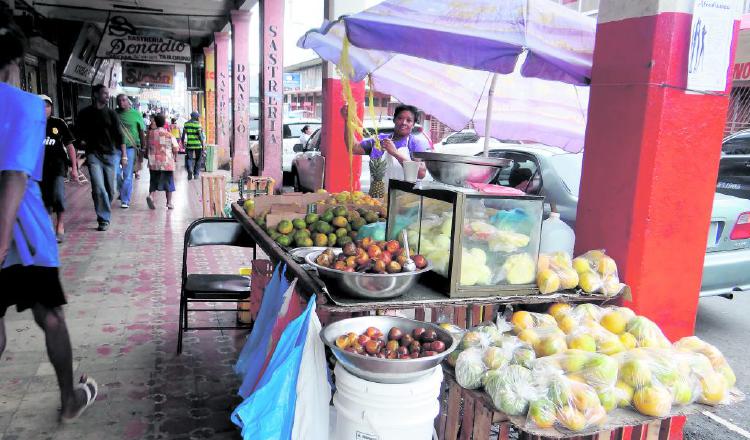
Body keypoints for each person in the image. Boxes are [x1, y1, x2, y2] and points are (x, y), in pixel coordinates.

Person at [0, 9, 97, 422]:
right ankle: (69, 400)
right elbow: (15, 177)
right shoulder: (24, 106)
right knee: (51, 317)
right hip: (23, 235)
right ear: (16, 64)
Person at [75, 84, 126, 231]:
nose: (107, 96)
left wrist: (124, 155)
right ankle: (103, 218)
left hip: (110, 155)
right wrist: (81, 143)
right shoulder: (85, 113)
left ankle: (103, 205)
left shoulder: (111, 114)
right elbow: (77, 132)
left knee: (110, 190)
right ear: (96, 95)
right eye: (104, 93)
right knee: (98, 188)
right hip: (93, 155)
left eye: (107, 93)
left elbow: (119, 135)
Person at [342, 104, 428, 181]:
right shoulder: (379, 140)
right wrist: (347, 121)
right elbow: (353, 148)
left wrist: (395, 153)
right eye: (400, 118)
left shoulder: (415, 144)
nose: (403, 123)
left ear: (413, 125)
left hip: (403, 197)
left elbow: (421, 173)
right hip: (377, 197)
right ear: (394, 120)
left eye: (409, 120)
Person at [39, 95, 78, 243]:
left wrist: (74, 167)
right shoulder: (31, 123)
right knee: (44, 199)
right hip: (38, 168)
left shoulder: (59, 123)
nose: (45, 109)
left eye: (47, 105)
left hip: (57, 166)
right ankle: (48, 227)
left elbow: (69, 146)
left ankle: (60, 224)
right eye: (42, 106)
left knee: (58, 195)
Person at [115, 94, 145, 209]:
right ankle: (123, 190)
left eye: (124, 100)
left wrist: (143, 148)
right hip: (116, 147)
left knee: (128, 175)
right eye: (119, 101)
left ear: (128, 102)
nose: (121, 102)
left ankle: (125, 200)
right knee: (115, 173)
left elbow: (141, 132)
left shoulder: (136, 114)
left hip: (131, 148)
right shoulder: (114, 113)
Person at [146, 114, 179, 210]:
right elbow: (176, 148)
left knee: (153, 180)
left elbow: (147, 146)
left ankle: (151, 196)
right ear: (164, 123)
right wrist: (175, 157)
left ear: (155, 121)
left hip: (153, 162)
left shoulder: (150, 134)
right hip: (166, 162)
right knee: (169, 182)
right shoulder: (169, 134)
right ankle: (169, 203)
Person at [182, 111, 205, 180]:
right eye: (198, 116)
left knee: (189, 158)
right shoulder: (198, 124)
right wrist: (203, 144)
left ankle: (190, 170)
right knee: (198, 159)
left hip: (189, 144)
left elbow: (183, 135)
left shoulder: (186, 124)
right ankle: (196, 174)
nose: (198, 117)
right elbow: (200, 136)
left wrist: (182, 143)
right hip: (198, 145)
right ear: (195, 117)